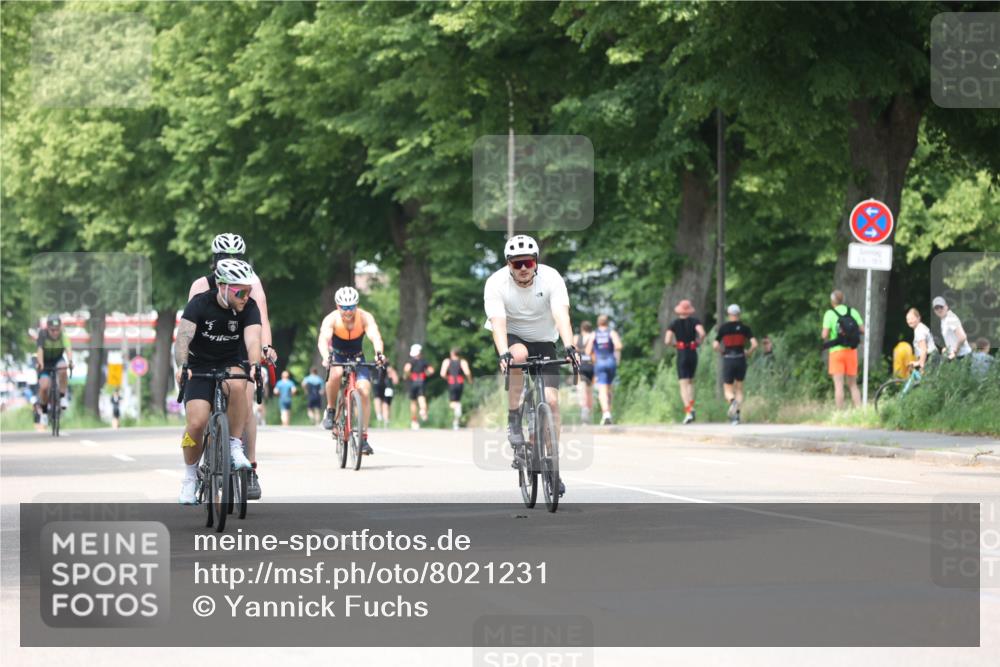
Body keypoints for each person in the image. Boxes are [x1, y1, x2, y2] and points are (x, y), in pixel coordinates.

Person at [484, 234, 579, 498]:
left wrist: (570, 346)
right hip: (513, 337)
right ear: (508, 265)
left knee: (552, 401)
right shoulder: (495, 283)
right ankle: (514, 418)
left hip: (545, 339)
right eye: (517, 264)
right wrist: (503, 353)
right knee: (518, 356)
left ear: (536, 262)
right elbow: (498, 322)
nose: (524, 268)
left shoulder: (552, 278)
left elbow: (561, 314)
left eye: (528, 262)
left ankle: (552, 465)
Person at [189, 233, 275, 500]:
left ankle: (249, 467)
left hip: (238, 346)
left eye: (234, 258)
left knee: (245, 401)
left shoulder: (251, 281)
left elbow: (260, 317)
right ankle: (199, 461)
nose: (228, 262)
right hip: (206, 348)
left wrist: (265, 349)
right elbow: (189, 324)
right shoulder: (201, 285)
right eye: (223, 258)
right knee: (199, 415)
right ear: (214, 261)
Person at [174, 259, 262, 505]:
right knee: (196, 423)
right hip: (198, 365)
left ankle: (234, 446)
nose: (246, 296)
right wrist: (182, 365)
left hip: (229, 361)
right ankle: (190, 477)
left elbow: (253, 340)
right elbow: (182, 339)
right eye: (240, 291)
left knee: (238, 384)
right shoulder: (199, 304)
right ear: (222, 286)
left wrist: (254, 365)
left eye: (248, 290)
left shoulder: (249, 307)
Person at [317, 286, 386, 454]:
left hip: (357, 356)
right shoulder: (331, 319)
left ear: (356, 305)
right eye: (344, 307)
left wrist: (379, 354)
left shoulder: (364, 317)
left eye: (351, 307)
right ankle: (331, 410)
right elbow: (323, 339)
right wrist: (326, 356)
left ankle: (363, 439)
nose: (348, 311)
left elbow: (375, 336)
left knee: (364, 390)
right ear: (337, 306)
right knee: (336, 373)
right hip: (338, 356)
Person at [713, 304, 758, 425]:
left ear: (728, 314)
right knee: (739, 388)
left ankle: (732, 402)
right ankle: (737, 416)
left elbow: (715, 345)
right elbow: (754, 344)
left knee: (728, 389)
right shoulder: (745, 328)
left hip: (728, 358)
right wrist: (748, 353)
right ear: (739, 314)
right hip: (740, 359)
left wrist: (722, 352)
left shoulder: (723, 328)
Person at [664, 299, 706, 424]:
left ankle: (688, 411)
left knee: (683, 384)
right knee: (691, 382)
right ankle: (691, 405)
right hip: (692, 352)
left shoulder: (674, 323)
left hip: (681, 353)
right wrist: (698, 342)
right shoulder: (695, 321)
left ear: (679, 311)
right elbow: (702, 333)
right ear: (689, 311)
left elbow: (667, 340)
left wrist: (674, 345)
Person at [821, 289, 864, 410]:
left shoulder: (829, 314)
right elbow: (863, 330)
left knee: (838, 385)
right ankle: (859, 411)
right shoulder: (853, 311)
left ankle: (840, 414)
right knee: (853, 384)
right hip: (851, 351)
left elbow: (824, 335)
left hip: (836, 352)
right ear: (843, 300)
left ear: (832, 301)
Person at [35, 314, 73, 426]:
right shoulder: (42, 334)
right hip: (45, 361)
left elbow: (68, 348)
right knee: (44, 386)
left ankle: (62, 396)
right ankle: (45, 411)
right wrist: (41, 363)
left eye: (57, 330)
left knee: (63, 368)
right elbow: (40, 350)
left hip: (57, 359)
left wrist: (70, 361)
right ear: (47, 328)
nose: (55, 333)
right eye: (52, 330)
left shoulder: (63, 335)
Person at [585, 314, 622, 425]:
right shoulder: (612, 332)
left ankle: (606, 414)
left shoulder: (594, 334)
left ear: (598, 322)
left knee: (602, 390)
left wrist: (594, 355)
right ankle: (608, 413)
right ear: (607, 322)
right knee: (609, 389)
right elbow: (619, 345)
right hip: (611, 362)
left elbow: (587, 351)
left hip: (600, 362)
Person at [440, 347, 473, 430]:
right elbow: (467, 372)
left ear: (452, 353)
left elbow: (442, 373)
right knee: (457, 401)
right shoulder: (462, 361)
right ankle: (456, 422)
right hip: (460, 382)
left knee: (452, 403)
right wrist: (470, 380)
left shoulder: (447, 361)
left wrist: (447, 378)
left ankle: (457, 412)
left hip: (451, 382)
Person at [403, 344, 434, 430]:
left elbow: (407, 369)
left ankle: (414, 421)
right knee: (422, 398)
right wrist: (425, 374)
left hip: (413, 382)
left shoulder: (410, 361)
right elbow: (431, 370)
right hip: (422, 381)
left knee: (413, 402)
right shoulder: (424, 361)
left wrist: (407, 375)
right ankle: (423, 410)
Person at [932, 296, 972, 361]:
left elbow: (962, 337)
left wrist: (954, 352)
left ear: (946, 306)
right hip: (959, 357)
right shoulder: (943, 320)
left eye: (941, 307)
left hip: (964, 356)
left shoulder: (950, 317)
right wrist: (947, 349)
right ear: (934, 311)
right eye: (936, 308)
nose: (939, 309)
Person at [575, 321, 595, 423]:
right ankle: (589, 414)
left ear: (582, 328)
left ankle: (584, 410)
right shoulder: (593, 337)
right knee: (590, 391)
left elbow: (573, 352)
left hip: (581, 366)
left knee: (581, 389)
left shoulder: (576, 338)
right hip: (591, 366)